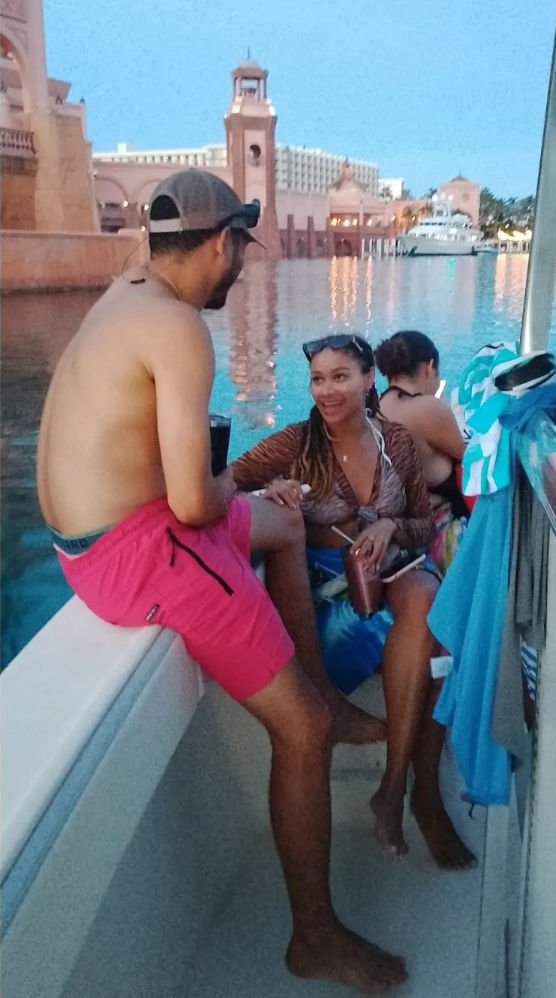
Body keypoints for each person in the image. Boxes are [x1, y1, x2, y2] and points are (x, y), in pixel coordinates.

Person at [36, 169, 407, 996]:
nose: (240, 265)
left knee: (284, 523)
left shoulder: (127, 290)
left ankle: (326, 693)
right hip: (138, 549)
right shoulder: (177, 327)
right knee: (300, 733)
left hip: (92, 538)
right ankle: (313, 937)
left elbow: (191, 492)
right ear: (218, 242)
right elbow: (192, 501)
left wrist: (255, 501)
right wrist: (238, 490)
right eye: (239, 246)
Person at [231, 334, 475, 869]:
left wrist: (389, 524)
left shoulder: (398, 442)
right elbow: (221, 485)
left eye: (340, 376)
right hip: (321, 588)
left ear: (369, 380)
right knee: (434, 645)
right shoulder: (294, 444)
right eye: (318, 378)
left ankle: (397, 790)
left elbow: (416, 524)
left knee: (430, 602)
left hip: (390, 570)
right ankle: (422, 796)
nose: (327, 389)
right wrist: (266, 495)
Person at [375, 330, 470, 573]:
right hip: (435, 535)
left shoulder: (375, 408)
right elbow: (470, 458)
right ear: (429, 367)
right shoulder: (429, 409)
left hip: (395, 534)